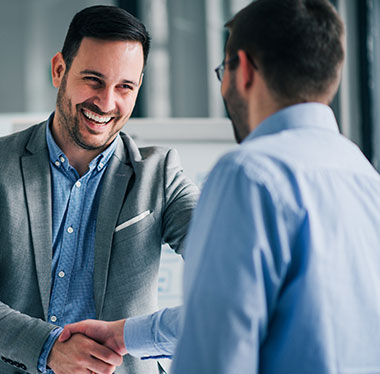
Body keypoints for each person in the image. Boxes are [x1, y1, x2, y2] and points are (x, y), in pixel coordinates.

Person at [59, 0, 380, 373]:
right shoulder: (365, 178)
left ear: (241, 69)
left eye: (221, 70)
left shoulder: (250, 174)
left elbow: (216, 348)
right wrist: (125, 334)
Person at [0, 5, 199, 374]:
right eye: (93, 80)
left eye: (125, 87)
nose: (106, 103)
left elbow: (231, 265)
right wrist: (47, 349)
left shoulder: (160, 174)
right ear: (60, 70)